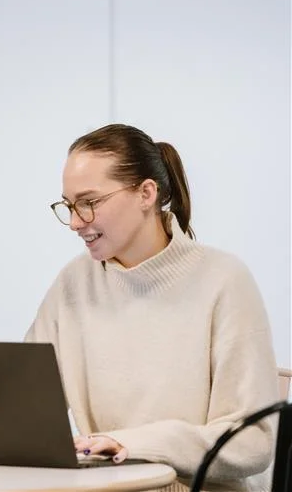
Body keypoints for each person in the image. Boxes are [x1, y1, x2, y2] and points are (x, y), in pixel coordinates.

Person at [26, 124, 278, 491]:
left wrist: (134, 443)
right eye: (69, 206)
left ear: (146, 193)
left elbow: (252, 441)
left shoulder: (224, 280)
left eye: (89, 202)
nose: (76, 222)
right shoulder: (74, 283)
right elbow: (26, 402)